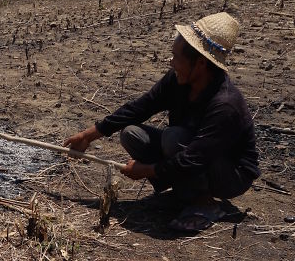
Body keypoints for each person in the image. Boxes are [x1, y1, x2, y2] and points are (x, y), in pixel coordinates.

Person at [64, 12, 260, 232]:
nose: (171, 62)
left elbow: (194, 158)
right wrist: (88, 136)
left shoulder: (225, 104)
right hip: (191, 154)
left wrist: (147, 170)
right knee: (131, 134)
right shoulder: (177, 81)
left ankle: (204, 203)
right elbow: (140, 108)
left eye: (176, 57)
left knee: (173, 138)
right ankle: (183, 194)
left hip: (230, 174)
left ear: (201, 63)